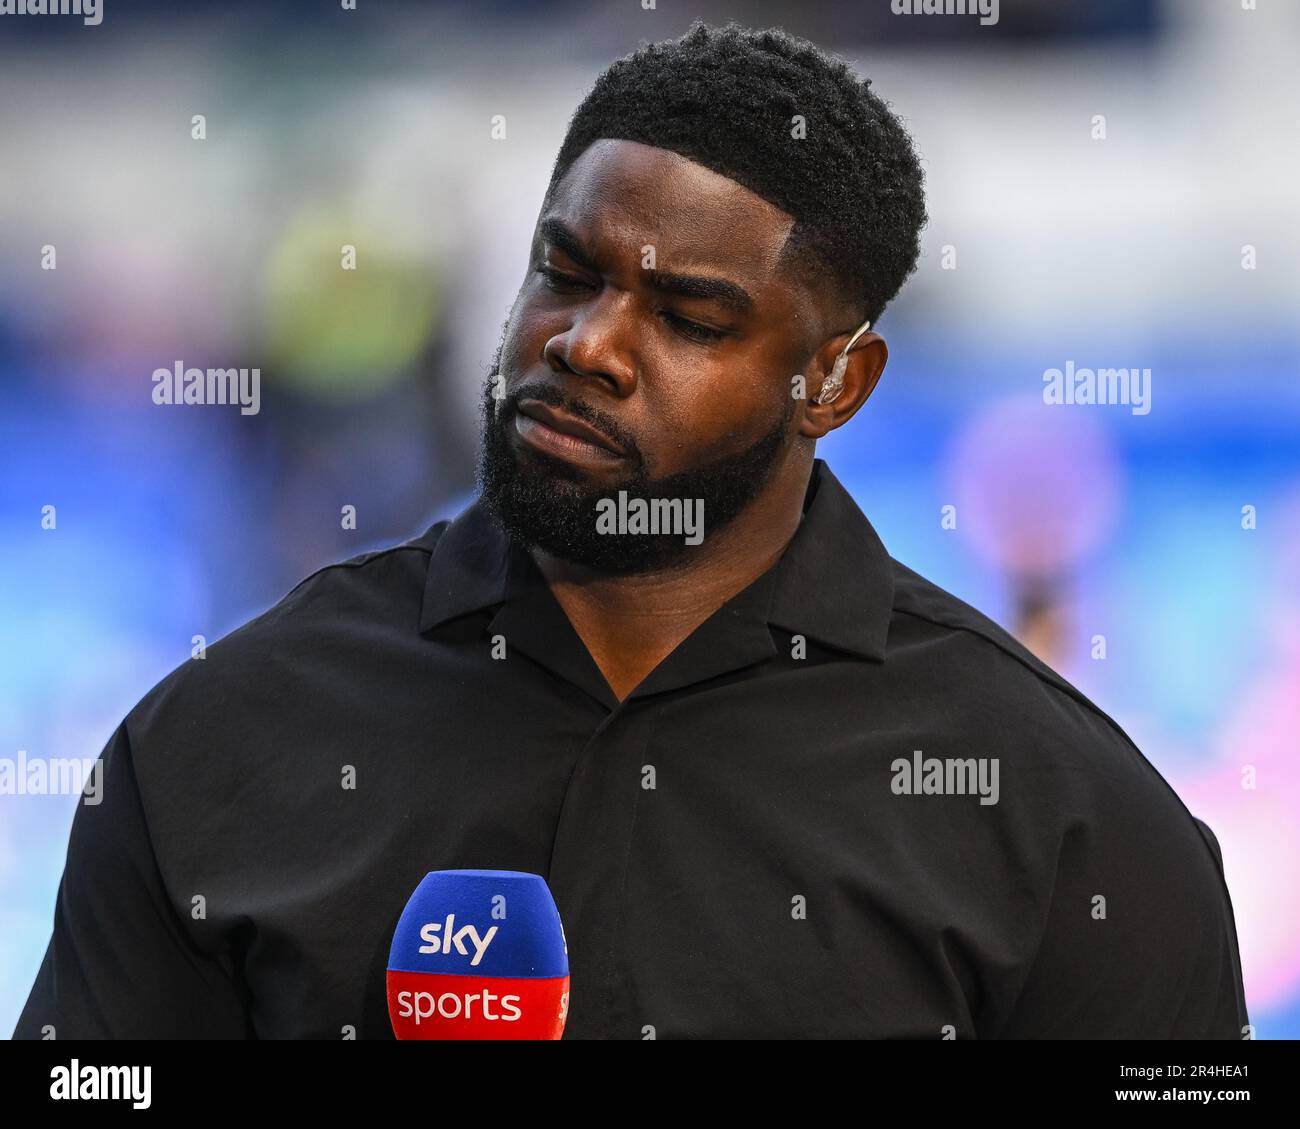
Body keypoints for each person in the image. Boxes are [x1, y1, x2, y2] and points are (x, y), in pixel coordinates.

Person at [14, 19, 1248, 1040]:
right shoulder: (219, 741)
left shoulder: (1070, 827)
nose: (585, 344)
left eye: (688, 317)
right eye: (566, 270)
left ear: (834, 383)